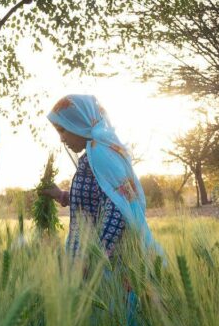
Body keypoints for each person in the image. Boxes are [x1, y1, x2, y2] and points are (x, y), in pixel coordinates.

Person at [42, 94, 158, 259]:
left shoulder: (99, 153)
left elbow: (117, 211)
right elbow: (98, 199)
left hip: (102, 265)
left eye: (63, 129)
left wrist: (93, 259)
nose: (61, 139)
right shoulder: (93, 154)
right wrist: (61, 195)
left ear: (78, 123)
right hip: (87, 258)